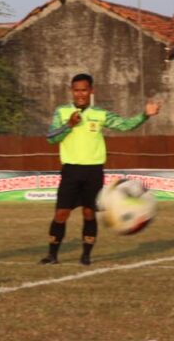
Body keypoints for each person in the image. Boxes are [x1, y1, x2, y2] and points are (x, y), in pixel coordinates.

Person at [41, 73, 162, 266]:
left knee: (89, 213)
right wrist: (69, 125)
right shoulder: (62, 112)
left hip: (93, 171)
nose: (80, 94)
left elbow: (124, 125)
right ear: (71, 91)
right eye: (76, 90)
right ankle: (52, 255)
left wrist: (145, 115)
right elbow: (51, 138)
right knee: (61, 214)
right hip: (70, 171)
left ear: (91, 91)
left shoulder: (100, 114)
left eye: (84, 90)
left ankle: (86, 256)